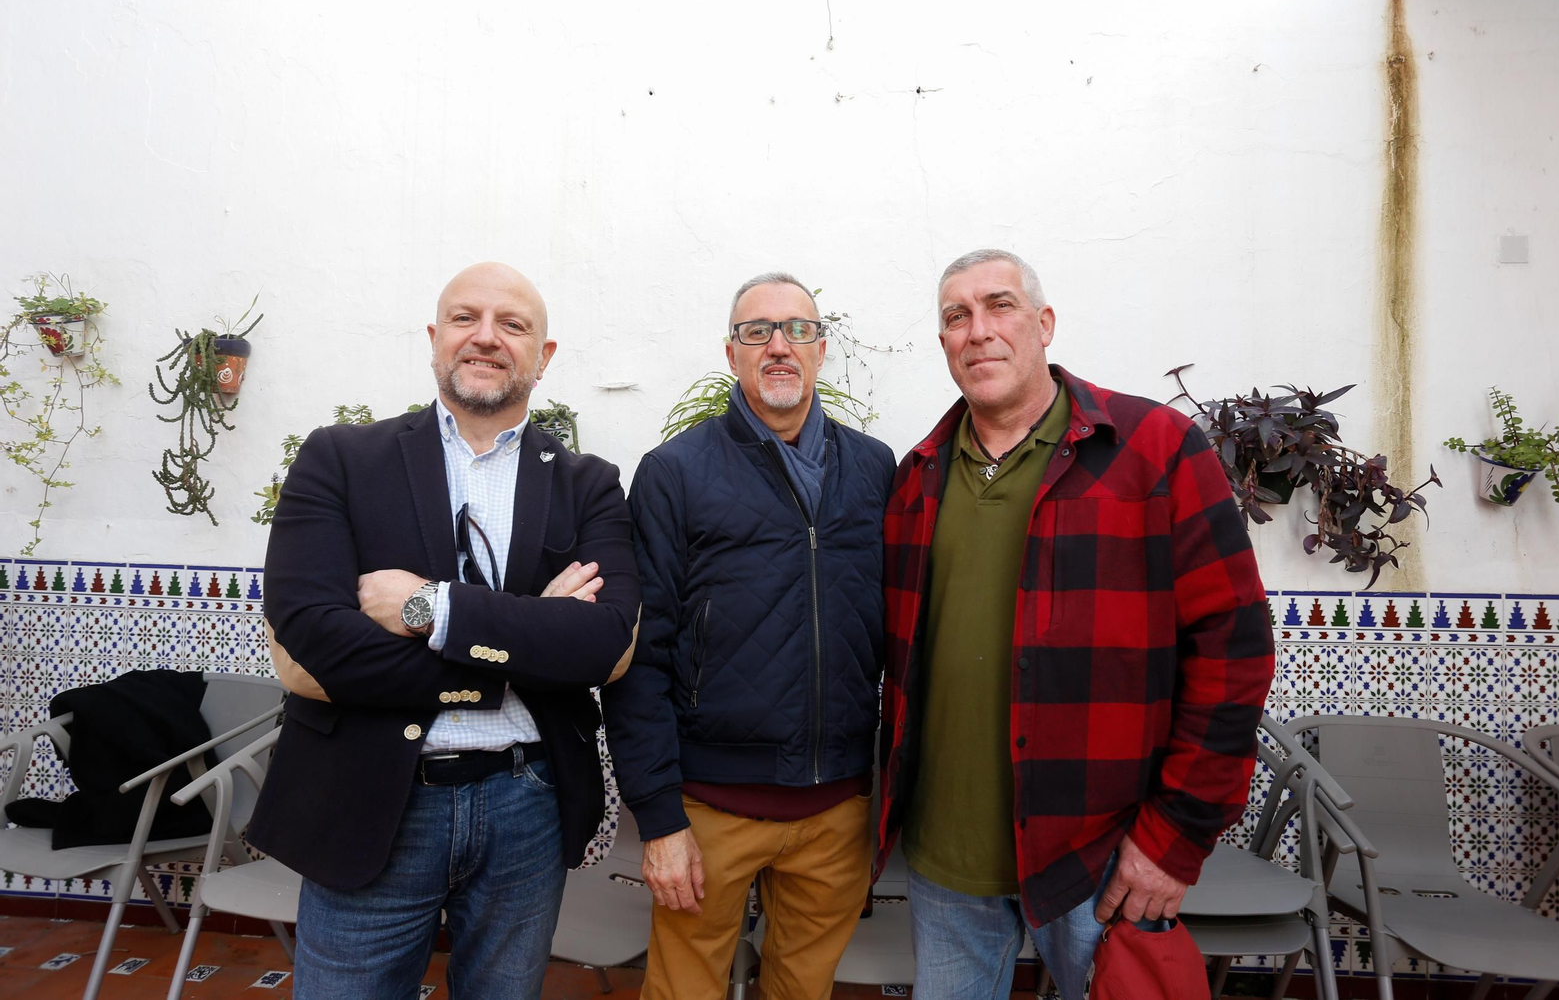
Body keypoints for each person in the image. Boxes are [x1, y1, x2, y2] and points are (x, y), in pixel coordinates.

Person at [875, 249, 1274, 999]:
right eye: (956, 317)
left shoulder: (1154, 449)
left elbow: (1236, 653)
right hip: (945, 863)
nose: (978, 330)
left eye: (1000, 306)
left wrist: (1173, 840)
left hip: (1103, 855)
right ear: (942, 345)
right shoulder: (917, 476)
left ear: (1044, 323)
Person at [249, 261, 640, 1000]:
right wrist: (529, 640)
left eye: (513, 324)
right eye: (465, 319)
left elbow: (605, 644)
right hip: (372, 799)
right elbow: (312, 639)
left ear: (544, 355)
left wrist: (433, 609)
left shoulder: (587, 483)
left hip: (526, 804)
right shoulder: (340, 460)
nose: (485, 337)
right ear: (435, 338)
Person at [603, 272, 896, 1000]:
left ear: (821, 348)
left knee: (802, 992)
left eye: (796, 329)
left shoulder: (875, 469)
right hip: (711, 811)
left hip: (837, 808)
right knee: (683, 993)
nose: (778, 346)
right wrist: (661, 818)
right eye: (755, 331)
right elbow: (640, 656)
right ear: (731, 353)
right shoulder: (675, 472)